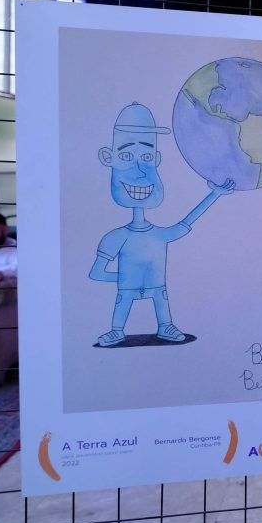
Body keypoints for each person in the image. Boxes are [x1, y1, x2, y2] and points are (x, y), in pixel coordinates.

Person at [89, 102, 235, 347]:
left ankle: (165, 325)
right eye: (126, 156)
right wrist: (125, 277)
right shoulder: (116, 237)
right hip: (127, 288)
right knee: (125, 299)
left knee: (160, 295)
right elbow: (96, 273)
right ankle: (116, 330)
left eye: (147, 157)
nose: (139, 170)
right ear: (108, 158)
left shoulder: (158, 235)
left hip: (156, 287)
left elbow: (185, 223)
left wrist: (215, 194)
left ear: (156, 159)